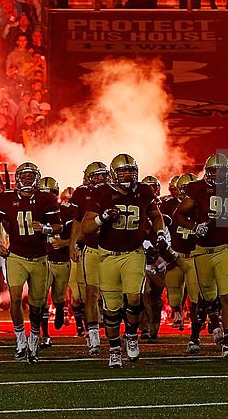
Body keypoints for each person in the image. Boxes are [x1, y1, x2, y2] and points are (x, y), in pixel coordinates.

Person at [84, 154, 164, 369]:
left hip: (133, 253)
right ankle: (114, 349)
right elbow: (86, 227)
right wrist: (103, 218)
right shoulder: (102, 193)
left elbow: (156, 215)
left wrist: (161, 232)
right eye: (123, 171)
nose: (127, 175)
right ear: (114, 173)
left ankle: (131, 335)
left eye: (130, 170)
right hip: (107, 255)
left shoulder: (144, 191)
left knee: (135, 298)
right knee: (111, 309)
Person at [0, 162, 61, 364]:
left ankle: (35, 339)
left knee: (37, 304)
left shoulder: (46, 198)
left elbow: (57, 226)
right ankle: (21, 339)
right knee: (14, 298)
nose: (28, 179)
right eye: (25, 176)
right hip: (16, 256)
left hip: (39, 257)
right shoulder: (6, 198)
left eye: (32, 176)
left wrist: (45, 229)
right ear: (18, 178)